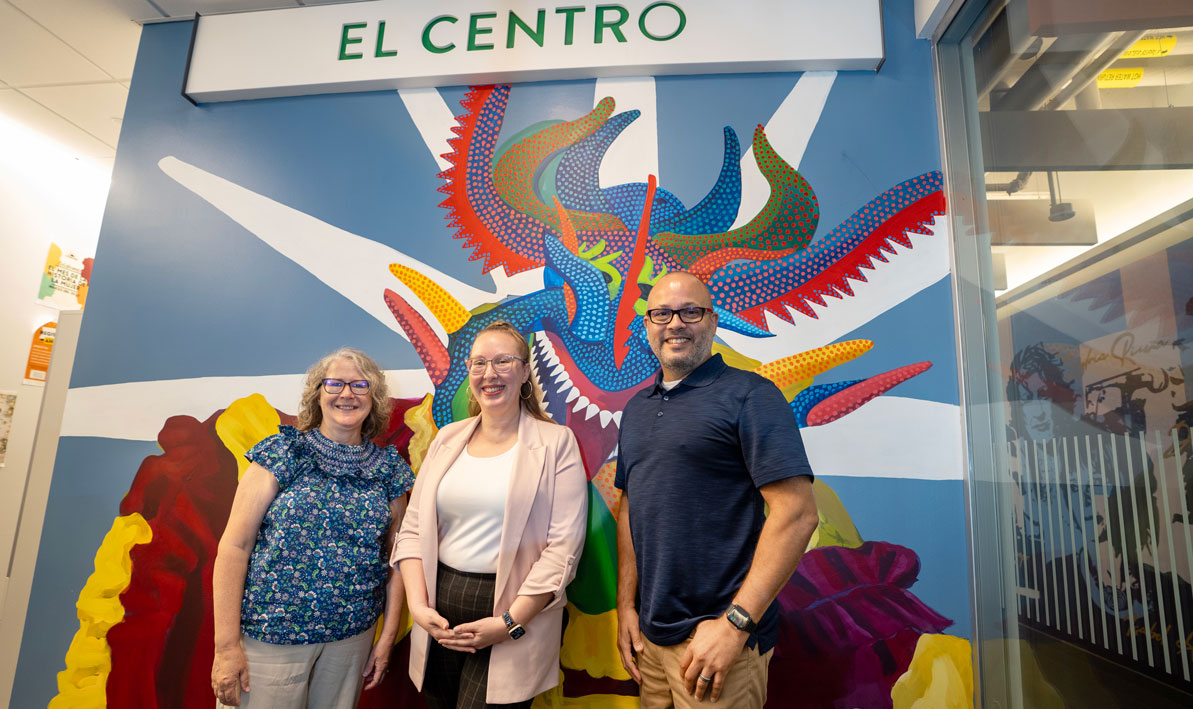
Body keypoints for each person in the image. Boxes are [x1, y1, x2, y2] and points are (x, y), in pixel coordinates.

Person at [614, 271, 819, 708]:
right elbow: (630, 507)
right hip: (651, 640)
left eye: (691, 311)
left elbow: (797, 514)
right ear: (647, 324)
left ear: (712, 321)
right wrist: (626, 607)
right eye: (662, 313)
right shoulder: (635, 409)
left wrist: (735, 625)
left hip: (718, 643)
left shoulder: (751, 396)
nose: (675, 323)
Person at [393, 321, 588, 708]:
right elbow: (413, 529)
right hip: (439, 616)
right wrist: (418, 607)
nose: (490, 373)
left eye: (503, 361)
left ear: (525, 371)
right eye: (479, 363)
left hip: (511, 616)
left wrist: (508, 624)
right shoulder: (447, 438)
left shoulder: (555, 443)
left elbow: (563, 549)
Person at [211, 348, 414, 708]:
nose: (347, 394)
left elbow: (397, 557)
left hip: (352, 640)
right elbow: (234, 547)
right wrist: (226, 646)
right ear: (318, 393)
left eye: (360, 385)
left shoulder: (388, 469)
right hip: (272, 636)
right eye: (334, 383)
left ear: (375, 398)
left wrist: (386, 636)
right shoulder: (283, 452)